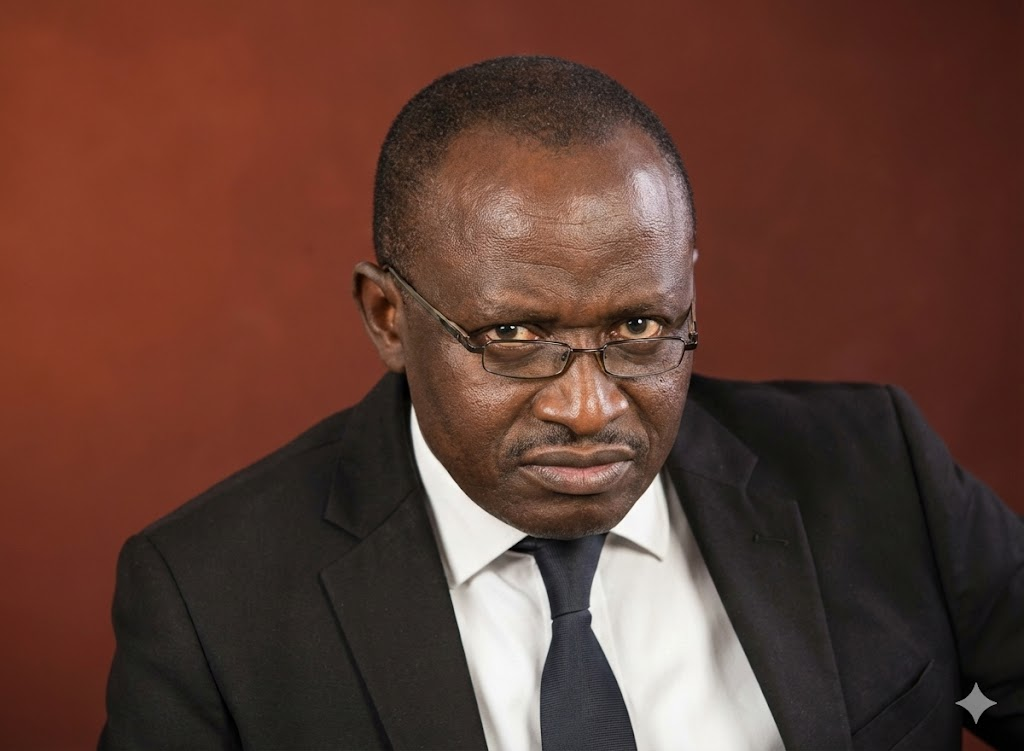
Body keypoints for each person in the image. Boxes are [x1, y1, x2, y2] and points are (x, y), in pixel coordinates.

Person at [99, 56, 1023, 751]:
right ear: (388, 317)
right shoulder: (210, 598)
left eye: (640, 326)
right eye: (513, 335)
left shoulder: (879, 472)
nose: (589, 408)